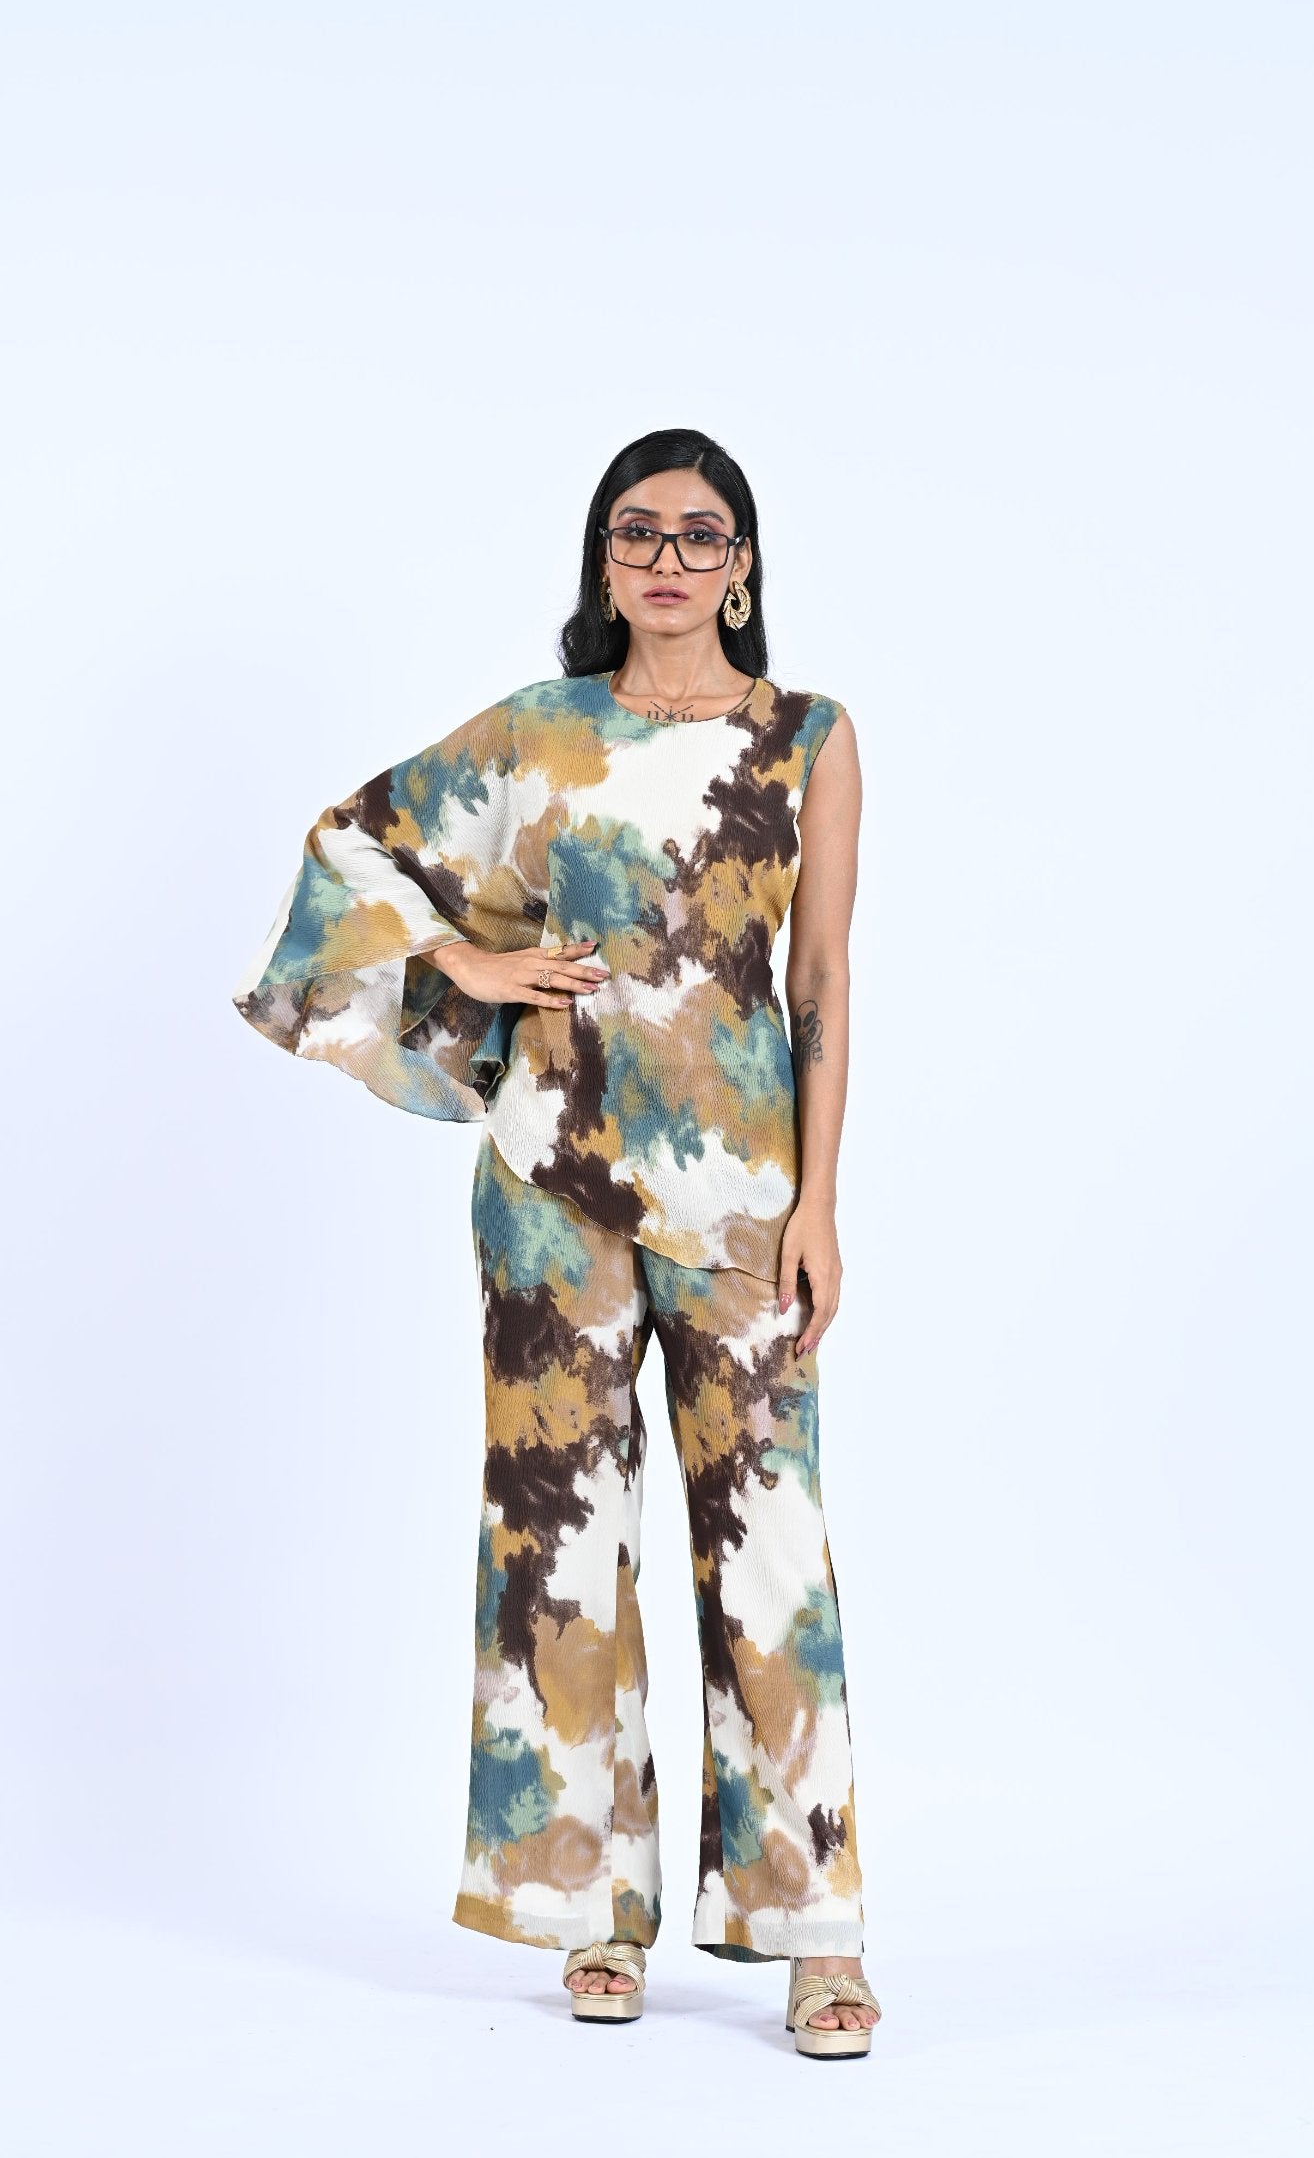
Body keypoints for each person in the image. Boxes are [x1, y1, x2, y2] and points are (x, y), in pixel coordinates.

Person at [232, 427, 882, 2059]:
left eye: (700, 533)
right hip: (549, 1185)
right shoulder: (539, 731)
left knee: (772, 1548)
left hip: (742, 1196)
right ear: (605, 556)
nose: (668, 558)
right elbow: (354, 840)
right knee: (559, 1544)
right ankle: (597, 1909)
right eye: (637, 531)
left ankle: (814, 1931)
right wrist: (465, 961)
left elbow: (817, 983)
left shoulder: (808, 738)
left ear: (742, 564)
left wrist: (818, 1199)